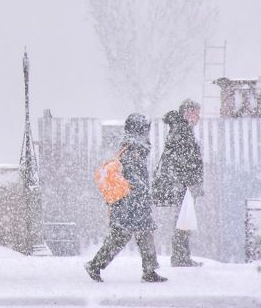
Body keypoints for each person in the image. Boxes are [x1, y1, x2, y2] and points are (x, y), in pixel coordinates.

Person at [85, 113, 167, 283]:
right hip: (131, 203)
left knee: (137, 235)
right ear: (139, 129)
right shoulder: (134, 149)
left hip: (129, 203)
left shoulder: (133, 147)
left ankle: (149, 271)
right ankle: (95, 265)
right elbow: (133, 177)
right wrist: (143, 193)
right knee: (124, 236)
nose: (147, 132)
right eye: (145, 129)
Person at [152, 99, 204, 267]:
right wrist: (189, 182)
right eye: (195, 112)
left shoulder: (182, 129)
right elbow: (181, 160)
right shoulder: (181, 130)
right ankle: (180, 257)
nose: (198, 117)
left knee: (184, 219)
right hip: (183, 185)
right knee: (183, 219)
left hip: (183, 184)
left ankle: (182, 256)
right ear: (186, 112)